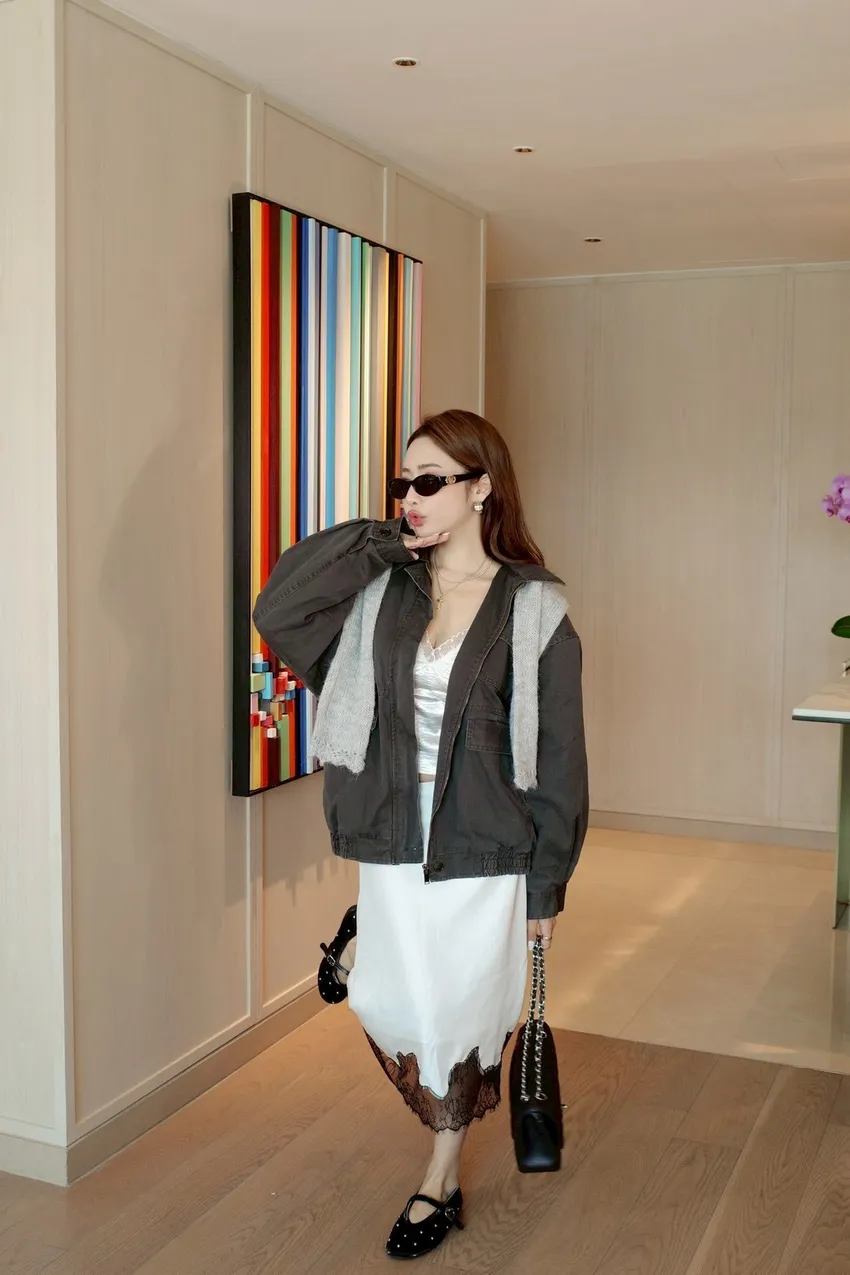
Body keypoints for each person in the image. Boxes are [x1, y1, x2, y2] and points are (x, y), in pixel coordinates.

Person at [253, 408, 588, 1260]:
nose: (411, 495)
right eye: (403, 481)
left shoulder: (534, 607)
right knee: (393, 1004)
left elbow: (559, 758)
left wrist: (545, 887)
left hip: (484, 846)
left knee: (460, 1013)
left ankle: (441, 1174)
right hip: (395, 836)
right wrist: (384, 541)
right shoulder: (383, 592)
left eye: (431, 481)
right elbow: (279, 608)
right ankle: (368, 955)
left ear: (481, 489)